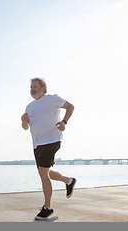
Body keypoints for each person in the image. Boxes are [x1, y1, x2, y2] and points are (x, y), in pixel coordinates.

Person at [21, 77, 76, 220]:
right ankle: (68, 181)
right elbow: (26, 127)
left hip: (52, 140)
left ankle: (48, 207)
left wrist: (64, 122)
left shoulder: (52, 99)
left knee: (42, 172)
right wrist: (23, 121)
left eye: (35, 87)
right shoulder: (30, 107)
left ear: (43, 88)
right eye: (31, 87)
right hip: (36, 144)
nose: (32, 89)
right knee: (45, 173)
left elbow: (71, 106)